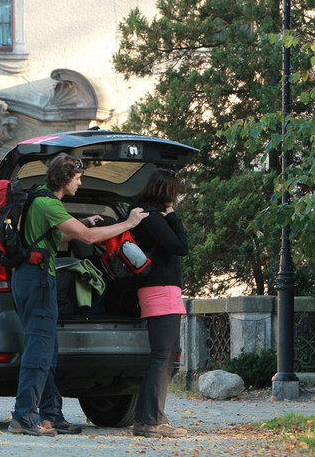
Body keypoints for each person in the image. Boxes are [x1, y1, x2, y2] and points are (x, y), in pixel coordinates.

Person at [8, 153, 149, 437]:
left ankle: (50, 415)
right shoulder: (47, 202)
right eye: (78, 177)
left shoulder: (44, 201)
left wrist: (84, 221)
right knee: (39, 350)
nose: (80, 182)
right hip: (36, 280)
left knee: (48, 351)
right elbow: (87, 238)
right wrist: (128, 224)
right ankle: (23, 416)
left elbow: (59, 236)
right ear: (64, 178)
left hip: (31, 278)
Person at [130, 169, 189, 438]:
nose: (176, 196)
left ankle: (144, 419)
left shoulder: (145, 215)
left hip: (161, 290)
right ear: (167, 192)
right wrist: (173, 215)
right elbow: (180, 246)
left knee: (166, 357)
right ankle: (153, 421)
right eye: (174, 191)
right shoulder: (151, 217)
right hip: (160, 291)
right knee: (163, 357)